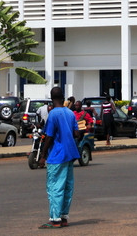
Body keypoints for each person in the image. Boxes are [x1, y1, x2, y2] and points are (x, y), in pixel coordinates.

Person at [38, 87, 80, 229]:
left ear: (51, 98)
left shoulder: (53, 115)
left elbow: (49, 136)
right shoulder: (70, 113)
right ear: (63, 97)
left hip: (57, 155)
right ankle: (64, 217)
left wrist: (43, 156)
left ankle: (55, 219)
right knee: (67, 187)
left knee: (55, 187)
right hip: (70, 154)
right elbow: (76, 133)